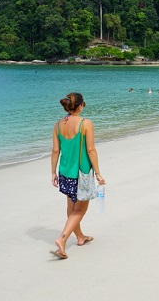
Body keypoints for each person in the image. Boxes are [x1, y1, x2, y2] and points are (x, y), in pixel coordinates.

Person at [50, 92, 106, 259]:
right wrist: (98, 172)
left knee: (71, 207)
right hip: (81, 173)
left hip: (65, 172)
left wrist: (53, 172)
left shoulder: (58, 125)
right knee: (80, 209)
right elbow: (90, 150)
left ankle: (80, 237)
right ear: (80, 105)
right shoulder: (85, 123)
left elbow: (55, 151)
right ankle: (62, 239)